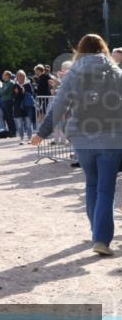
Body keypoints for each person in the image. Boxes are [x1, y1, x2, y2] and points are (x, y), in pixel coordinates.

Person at [33, 34, 122, 256]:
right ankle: (101, 238)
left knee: (92, 185)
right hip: (112, 138)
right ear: (104, 49)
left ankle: (97, 233)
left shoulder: (73, 74)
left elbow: (58, 106)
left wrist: (41, 133)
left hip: (82, 138)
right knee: (105, 189)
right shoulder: (116, 73)